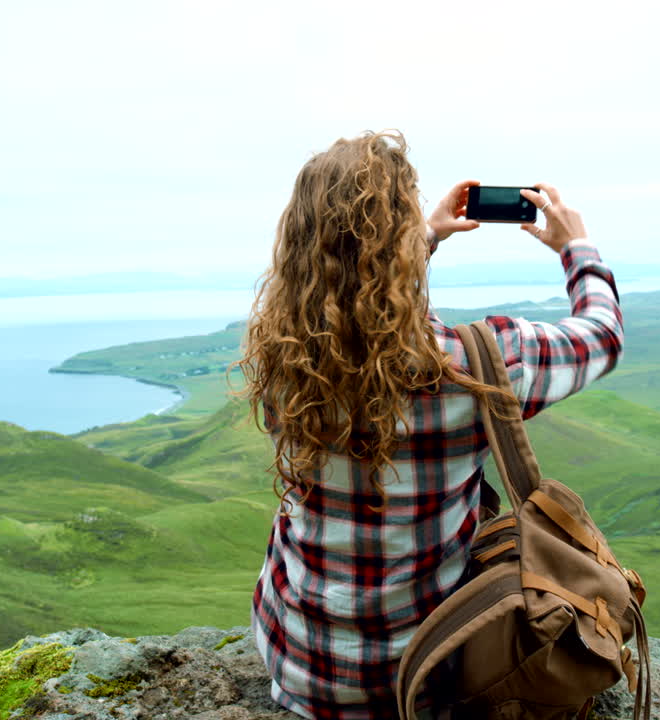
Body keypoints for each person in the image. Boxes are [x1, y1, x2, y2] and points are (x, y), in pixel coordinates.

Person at [236, 131, 624, 720]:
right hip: (428, 674)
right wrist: (578, 247)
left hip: (301, 675)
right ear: (399, 241)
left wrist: (428, 236)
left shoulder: (282, 358)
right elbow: (601, 334)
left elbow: (349, 296)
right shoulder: (477, 364)